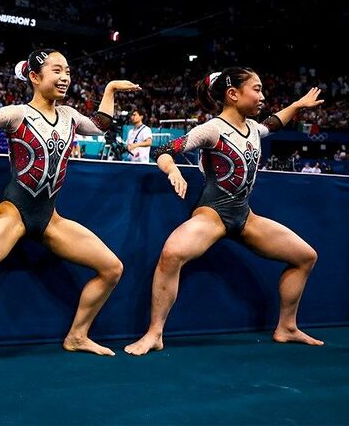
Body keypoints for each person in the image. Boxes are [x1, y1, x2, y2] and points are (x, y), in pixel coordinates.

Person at [0, 49, 139, 367]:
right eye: (57, 70)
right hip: (14, 212)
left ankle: (77, 336)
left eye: (68, 71)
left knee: (112, 268)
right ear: (35, 77)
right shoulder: (16, 114)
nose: (65, 77)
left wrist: (109, 89)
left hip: (50, 218)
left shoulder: (70, 116)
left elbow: (100, 126)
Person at [125, 69, 325, 356]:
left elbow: (274, 122)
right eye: (256, 89)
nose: (262, 96)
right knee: (171, 254)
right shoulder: (212, 129)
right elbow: (165, 150)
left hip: (245, 216)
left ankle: (287, 328)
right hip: (213, 214)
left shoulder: (254, 128)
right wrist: (173, 171)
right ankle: (154, 333)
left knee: (305, 257)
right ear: (233, 94)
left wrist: (296, 106)